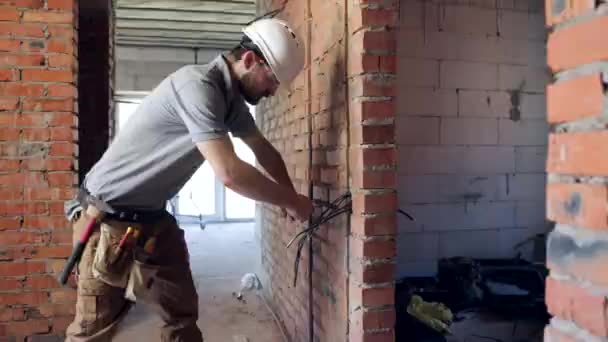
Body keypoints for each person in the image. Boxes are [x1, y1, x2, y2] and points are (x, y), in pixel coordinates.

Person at [64, 18, 313, 341]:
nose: (273, 91)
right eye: (273, 79)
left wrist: (289, 198)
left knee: (181, 316)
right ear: (250, 60)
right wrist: (291, 201)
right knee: (94, 329)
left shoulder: (231, 102)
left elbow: (264, 151)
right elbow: (229, 173)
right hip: (106, 217)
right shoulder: (197, 86)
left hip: (151, 217)